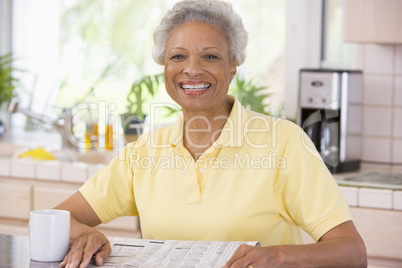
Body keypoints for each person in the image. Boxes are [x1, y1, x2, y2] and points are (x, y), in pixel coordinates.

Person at [56, 0, 367, 267]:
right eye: (178, 56)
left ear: (232, 68)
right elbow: (52, 218)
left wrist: (278, 257)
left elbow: (352, 252)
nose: (192, 69)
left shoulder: (284, 142)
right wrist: (85, 233)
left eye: (210, 56)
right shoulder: (146, 151)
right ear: (165, 68)